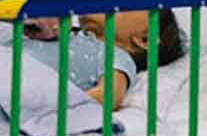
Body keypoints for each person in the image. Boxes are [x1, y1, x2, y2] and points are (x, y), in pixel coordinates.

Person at [23, 10, 187, 110]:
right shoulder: (66, 31)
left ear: (146, 39)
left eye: (123, 2)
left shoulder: (115, 56)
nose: (106, 0)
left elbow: (110, 95)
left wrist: (45, 106)